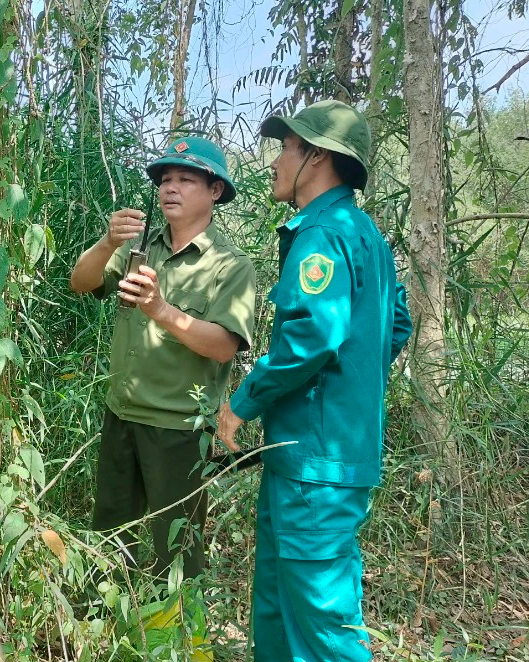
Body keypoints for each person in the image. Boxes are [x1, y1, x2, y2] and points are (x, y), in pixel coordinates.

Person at [214, 100, 414, 661]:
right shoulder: (364, 233)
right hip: (315, 457)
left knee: (324, 624)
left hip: (315, 465)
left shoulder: (323, 234)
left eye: (286, 147)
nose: (276, 160)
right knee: (279, 608)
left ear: (318, 157)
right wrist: (352, 385)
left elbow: (312, 337)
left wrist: (242, 403)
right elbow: (396, 323)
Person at [69, 136, 257, 579]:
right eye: (165, 179)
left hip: (179, 430)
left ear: (215, 190)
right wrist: (107, 242)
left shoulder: (230, 265)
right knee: (110, 540)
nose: (170, 188)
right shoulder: (141, 247)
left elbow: (223, 345)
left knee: (176, 554)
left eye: (185, 180)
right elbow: (81, 282)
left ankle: (174, 622)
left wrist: (161, 310)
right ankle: (108, 618)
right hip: (121, 416)